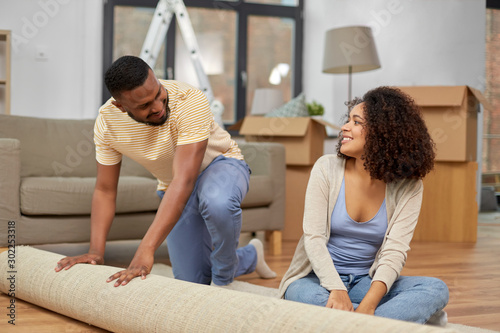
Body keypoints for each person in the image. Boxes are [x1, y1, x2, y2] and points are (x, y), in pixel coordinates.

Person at [55, 55, 276, 287]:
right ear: (120, 106)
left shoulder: (188, 99)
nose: (158, 108)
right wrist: (96, 252)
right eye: (144, 106)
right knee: (191, 281)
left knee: (217, 201)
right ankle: (250, 256)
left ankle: (223, 284)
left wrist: (146, 249)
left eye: (158, 94)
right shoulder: (107, 124)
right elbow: (105, 190)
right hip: (174, 187)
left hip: (222, 165)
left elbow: (185, 179)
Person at [279, 86, 449, 324]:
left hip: (365, 282)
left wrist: (368, 305)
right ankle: (393, 322)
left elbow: (394, 252)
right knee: (300, 294)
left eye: (356, 122)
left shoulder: (408, 186)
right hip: (317, 280)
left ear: (383, 134)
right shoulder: (326, 168)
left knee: (435, 289)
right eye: (348, 120)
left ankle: (351, 321)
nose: (344, 127)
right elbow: (313, 238)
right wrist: (337, 290)